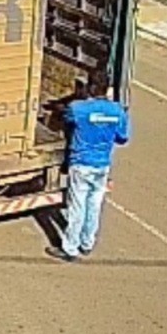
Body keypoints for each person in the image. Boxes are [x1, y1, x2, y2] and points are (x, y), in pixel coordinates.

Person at [47, 70, 130, 262]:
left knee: (76, 206)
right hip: (102, 165)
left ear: (90, 87)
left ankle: (70, 248)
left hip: (81, 164)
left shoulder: (79, 108)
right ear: (107, 88)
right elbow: (123, 138)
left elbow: (64, 119)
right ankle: (87, 243)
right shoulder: (117, 111)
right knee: (94, 205)